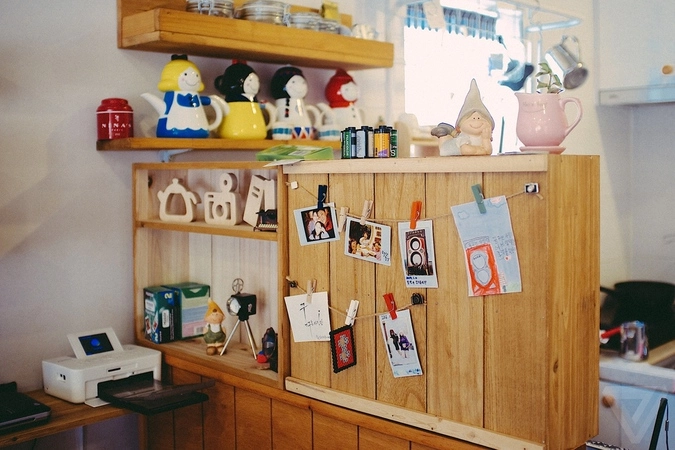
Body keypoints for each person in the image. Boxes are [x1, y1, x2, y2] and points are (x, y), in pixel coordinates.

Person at [432, 79, 494, 156]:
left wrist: (486, 139)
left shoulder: (483, 138)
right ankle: (443, 136)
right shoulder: (464, 137)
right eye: (472, 118)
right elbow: (466, 150)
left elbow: (488, 151)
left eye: (481, 118)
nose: (477, 120)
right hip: (448, 151)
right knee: (444, 143)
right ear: (459, 128)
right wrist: (483, 150)